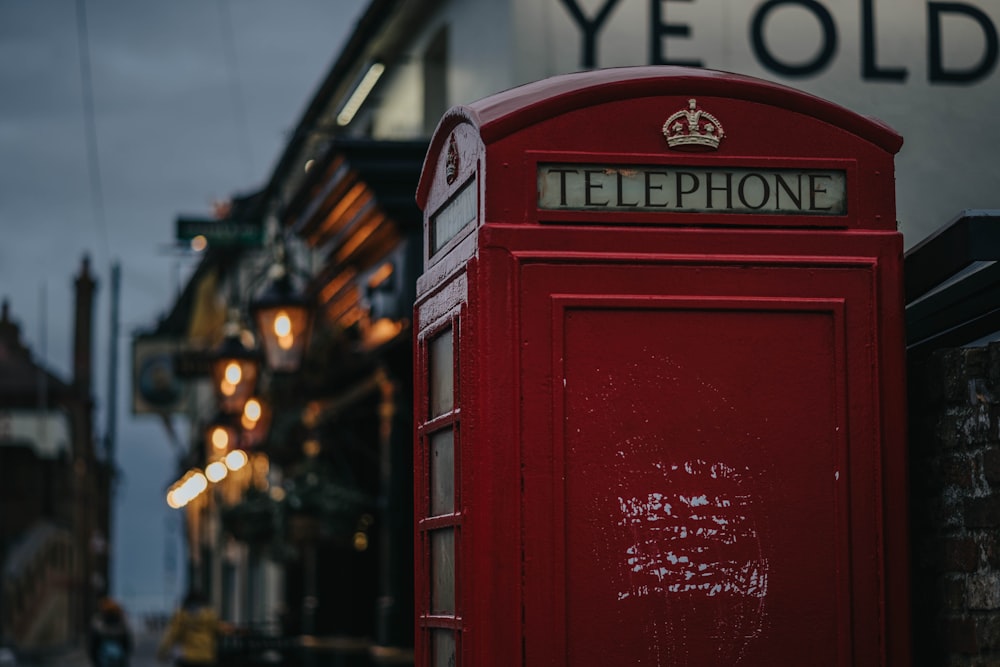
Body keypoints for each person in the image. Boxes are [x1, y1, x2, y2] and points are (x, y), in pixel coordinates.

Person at [156, 591, 227, 666]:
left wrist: (162, 651)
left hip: (187, 658)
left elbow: (172, 635)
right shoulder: (210, 615)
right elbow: (220, 628)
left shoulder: (181, 616)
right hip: (207, 657)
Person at [88, 597, 132, 667]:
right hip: (119, 661)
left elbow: (93, 646)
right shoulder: (121, 623)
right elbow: (128, 645)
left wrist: (95, 661)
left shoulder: (98, 623)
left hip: (102, 660)